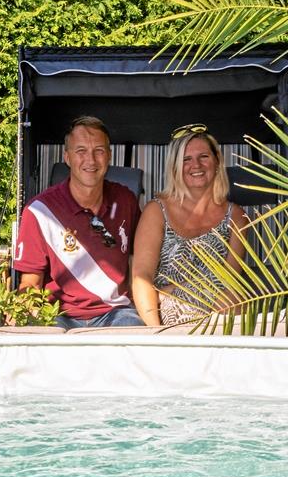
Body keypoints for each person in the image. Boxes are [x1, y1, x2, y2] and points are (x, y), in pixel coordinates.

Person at [13, 116, 144, 328]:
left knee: (135, 335)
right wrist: (26, 311)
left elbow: (142, 262)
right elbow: (30, 283)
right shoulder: (39, 211)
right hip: (58, 314)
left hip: (116, 313)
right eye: (81, 151)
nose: (91, 160)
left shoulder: (126, 201)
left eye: (99, 151)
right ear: (67, 157)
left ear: (109, 156)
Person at [132, 123, 249, 326]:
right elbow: (141, 278)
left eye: (203, 156)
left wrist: (171, 292)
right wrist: (155, 334)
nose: (196, 165)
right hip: (163, 322)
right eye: (186, 159)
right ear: (176, 167)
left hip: (217, 318)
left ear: (217, 161)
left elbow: (231, 284)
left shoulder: (236, 217)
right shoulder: (157, 211)